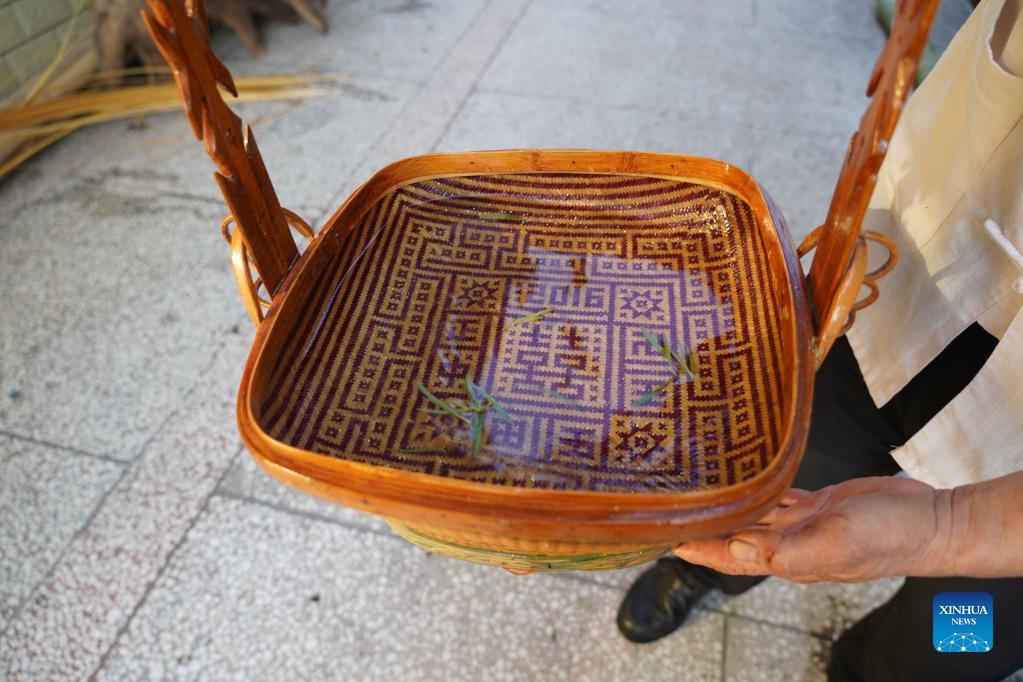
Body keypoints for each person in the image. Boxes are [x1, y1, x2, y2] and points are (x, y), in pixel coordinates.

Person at [616, 1, 1023, 680]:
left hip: (1010, 501)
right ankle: (713, 572)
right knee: (765, 480)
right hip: (921, 266)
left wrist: (949, 530)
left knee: (943, 652)